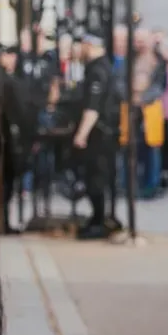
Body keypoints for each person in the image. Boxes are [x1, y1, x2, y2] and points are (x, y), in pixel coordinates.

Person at [72, 33, 118, 239]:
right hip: (103, 132)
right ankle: (98, 219)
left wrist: (81, 134)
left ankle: (99, 222)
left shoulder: (97, 71)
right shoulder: (103, 66)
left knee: (95, 179)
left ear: (89, 45)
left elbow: (93, 107)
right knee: (96, 177)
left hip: (99, 133)